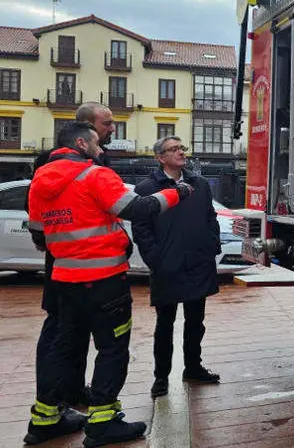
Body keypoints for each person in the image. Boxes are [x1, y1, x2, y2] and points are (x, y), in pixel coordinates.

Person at [24, 122, 192, 447]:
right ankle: (103, 422)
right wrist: (177, 193)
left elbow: (39, 233)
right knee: (112, 348)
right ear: (81, 144)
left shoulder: (40, 181)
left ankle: (44, 419)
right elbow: (138, 209)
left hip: (65, 282)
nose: (101, 150)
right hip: (104, 281)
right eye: (97, 144)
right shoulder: (95, 175)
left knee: (63, 349)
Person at [27, 103, 118, 413]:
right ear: (86, 129)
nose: (112, 129)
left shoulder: (98, 158)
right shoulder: (53, 161)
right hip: (65, 263)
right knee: (59, 331)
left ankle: (73, 390)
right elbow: (38, 210)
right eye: (106, 123)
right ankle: (50, 400)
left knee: (78, 331)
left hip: (87, 265)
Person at [133, 136, 222, 399]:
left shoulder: (199, 184)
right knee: (165, 325)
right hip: (167, 266)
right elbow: (141, 228)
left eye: (182, 148)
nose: (181, 152)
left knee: (196, 322)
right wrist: (155, 259)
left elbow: (210, 217)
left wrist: (211, 246)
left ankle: (193, 368)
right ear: (160, 157)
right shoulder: (146, 189)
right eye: (174, 149)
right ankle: (161, 378)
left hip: (198, 263)